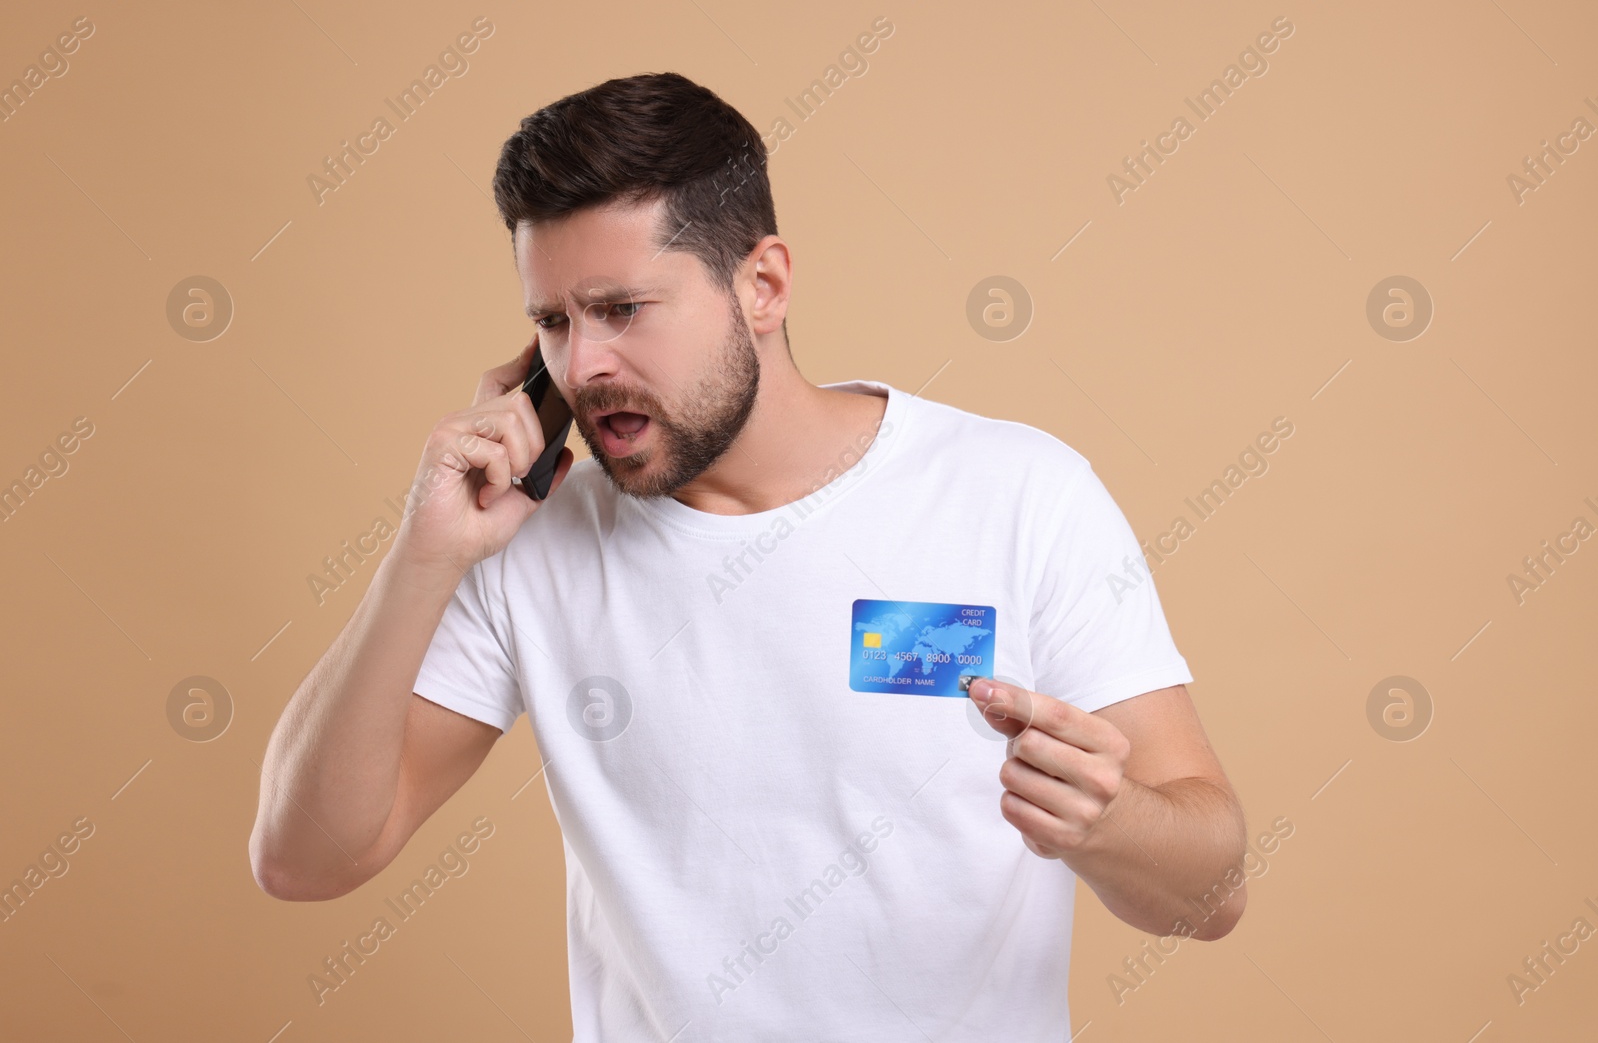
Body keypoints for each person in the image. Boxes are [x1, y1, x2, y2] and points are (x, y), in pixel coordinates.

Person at [250, 71, 1248, 1040]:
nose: (584, 364)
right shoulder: (529, 536)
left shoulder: (1016, 491)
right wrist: (423, 555)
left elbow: (1211, 893)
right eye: (552, 322)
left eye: (622, 308)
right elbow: (303, 857)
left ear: (762, 284)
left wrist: (1108, 823)